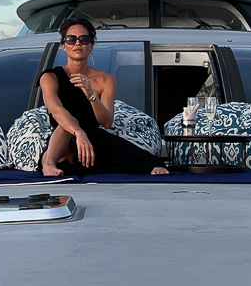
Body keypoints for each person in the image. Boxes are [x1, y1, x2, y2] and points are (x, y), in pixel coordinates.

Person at [39, 16, 169, 177]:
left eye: (84, 39)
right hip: (62, 142)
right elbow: (56, 110)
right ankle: (49, 164)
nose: (78, 43)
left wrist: (90, 94)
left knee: (148, 162)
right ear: (64, 46)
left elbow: (106, 122)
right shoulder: (51, 77)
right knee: (66, 123)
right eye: (71, 39)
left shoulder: (106, 80)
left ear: (91, 45)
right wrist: (79, 132)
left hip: (94, 141)